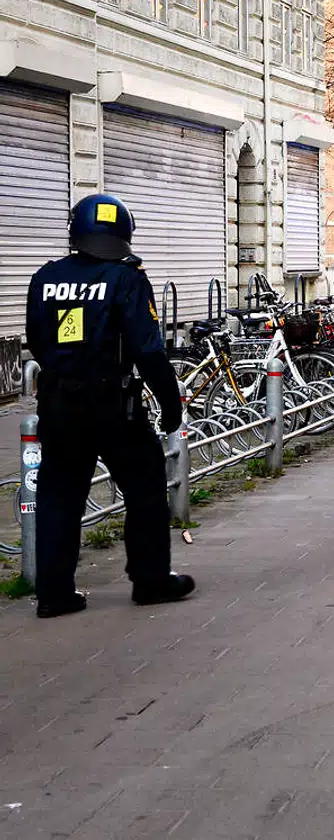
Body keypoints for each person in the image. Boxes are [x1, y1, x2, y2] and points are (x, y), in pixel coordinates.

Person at [25, 194, 194, 618]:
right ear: (123, 235)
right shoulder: (126, 279)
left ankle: (54, 593)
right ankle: (150, 580)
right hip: (113, 407)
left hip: (60, 405)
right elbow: (148, 350)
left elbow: (39, 341)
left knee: (59, 495)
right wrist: (170, 405)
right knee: (144, 488)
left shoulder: (45, 278)